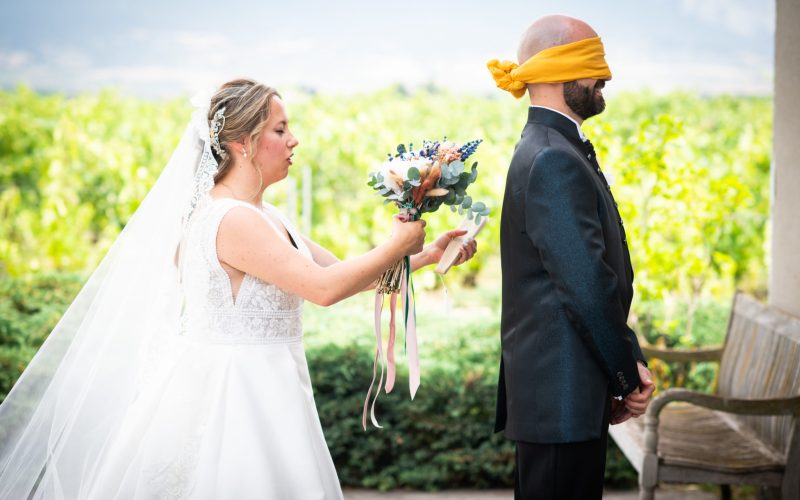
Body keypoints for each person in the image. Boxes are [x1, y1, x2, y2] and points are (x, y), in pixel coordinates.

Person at [0, 78, 477, 499]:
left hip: (272, 382)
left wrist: (426, 254)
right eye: (280, 129)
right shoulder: (231, 220)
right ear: (243, 143)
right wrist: (395, 240)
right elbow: (323, 289)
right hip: (236, 396)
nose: (294, 140)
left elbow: (348, 273)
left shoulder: (265, 216)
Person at [487, 15, 655, 499]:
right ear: (560, 70)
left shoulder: (549, 146)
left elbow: (587, 279)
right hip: (562, 396)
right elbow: (584, 285)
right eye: (594, 63)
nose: (605, 77)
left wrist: (627, 359)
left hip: (564, 394)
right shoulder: (553, 156)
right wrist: (624, 372)